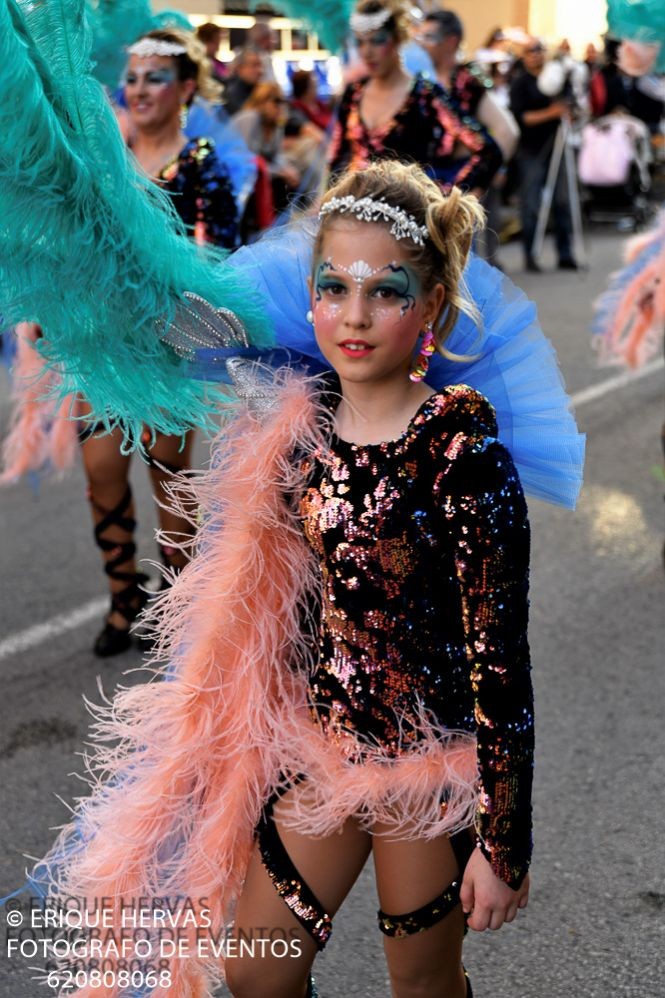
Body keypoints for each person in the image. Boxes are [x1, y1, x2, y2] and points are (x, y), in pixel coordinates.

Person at [28, 160, 551, 998]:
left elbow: (500, 659)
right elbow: (279, 603)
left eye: (386, 290)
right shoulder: (298, 430)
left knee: (420, 984)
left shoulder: (461, 448)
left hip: (429, 762)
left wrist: (504, 842)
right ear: (308, 298)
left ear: (432, 307)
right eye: (332, 287)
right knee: (256, 972)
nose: (354, 314)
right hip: (321, 748)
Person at [86, 28, 239, 655]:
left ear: (184, 89)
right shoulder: (107, 157)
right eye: (133, 76)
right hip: (100, 343)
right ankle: (125, 596)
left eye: (156, 78)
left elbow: (215, 258)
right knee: (100, 470)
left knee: (170, 481)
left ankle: (179, 607)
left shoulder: (202, 163)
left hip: (171, 343)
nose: (140, 88)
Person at [328, 0, 503, 197]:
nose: (367, 52)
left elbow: (487, 151)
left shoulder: (425, 94)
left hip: (407, 218)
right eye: (360, 42)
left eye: (377, 40)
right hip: (352, 215)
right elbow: (336, 160)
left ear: (397, 39)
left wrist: (447, 202)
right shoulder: (353, 94)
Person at [509, 38, 578, 272]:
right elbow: (522, 118)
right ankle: (531, 255)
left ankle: (566, 253)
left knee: (563, 200)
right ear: (524, 55)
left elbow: (571, 106)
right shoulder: (520, 83)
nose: (536, 54)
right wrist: (551, 113)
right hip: (531, 150)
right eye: (531, 51)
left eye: (540, 49)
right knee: (531, 203)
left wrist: (568, 111)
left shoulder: (557, 77)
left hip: (558, 147)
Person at [416, 9, 519, 163]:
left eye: (429, 37)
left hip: (452, 180)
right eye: (420, 37)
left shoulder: (466, 81)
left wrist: (480, 175)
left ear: (451, 41)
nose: (422, 45)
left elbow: (507, 132)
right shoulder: (421, 80)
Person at [223, 46, 264, 115]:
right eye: (254, 65)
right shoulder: (230, 95)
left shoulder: (260, 90)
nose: (260, 70)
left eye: (260, 65)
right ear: (239, 68)